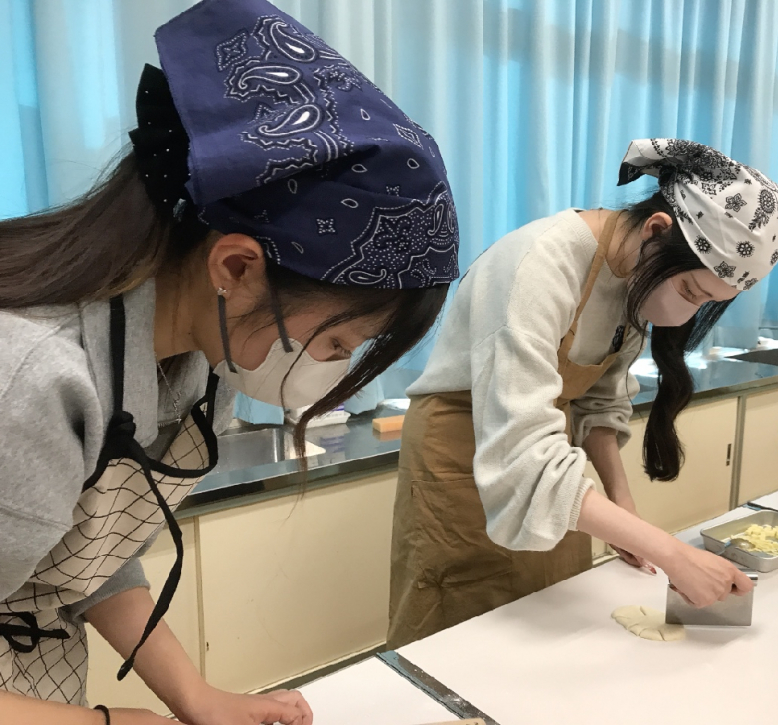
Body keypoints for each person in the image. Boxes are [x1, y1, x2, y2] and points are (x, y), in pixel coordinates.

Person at [0, 0, 460, 722]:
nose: (334, 372)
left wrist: (195, 697)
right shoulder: (31, 381)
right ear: (237, 268)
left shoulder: (190, 365)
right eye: (336, 344)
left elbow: (83, 552)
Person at [387, 138, 778, 648]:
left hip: (548, 458)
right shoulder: (539, 264)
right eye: (691, 292)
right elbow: (521, 454)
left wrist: (622, 506)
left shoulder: (634, 271)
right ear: (656, 231)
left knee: (550, 615)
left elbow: (598, 402)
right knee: (463, 629)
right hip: (463, 455)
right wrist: (672, 553)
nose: (686, 315)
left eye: (707, 302)